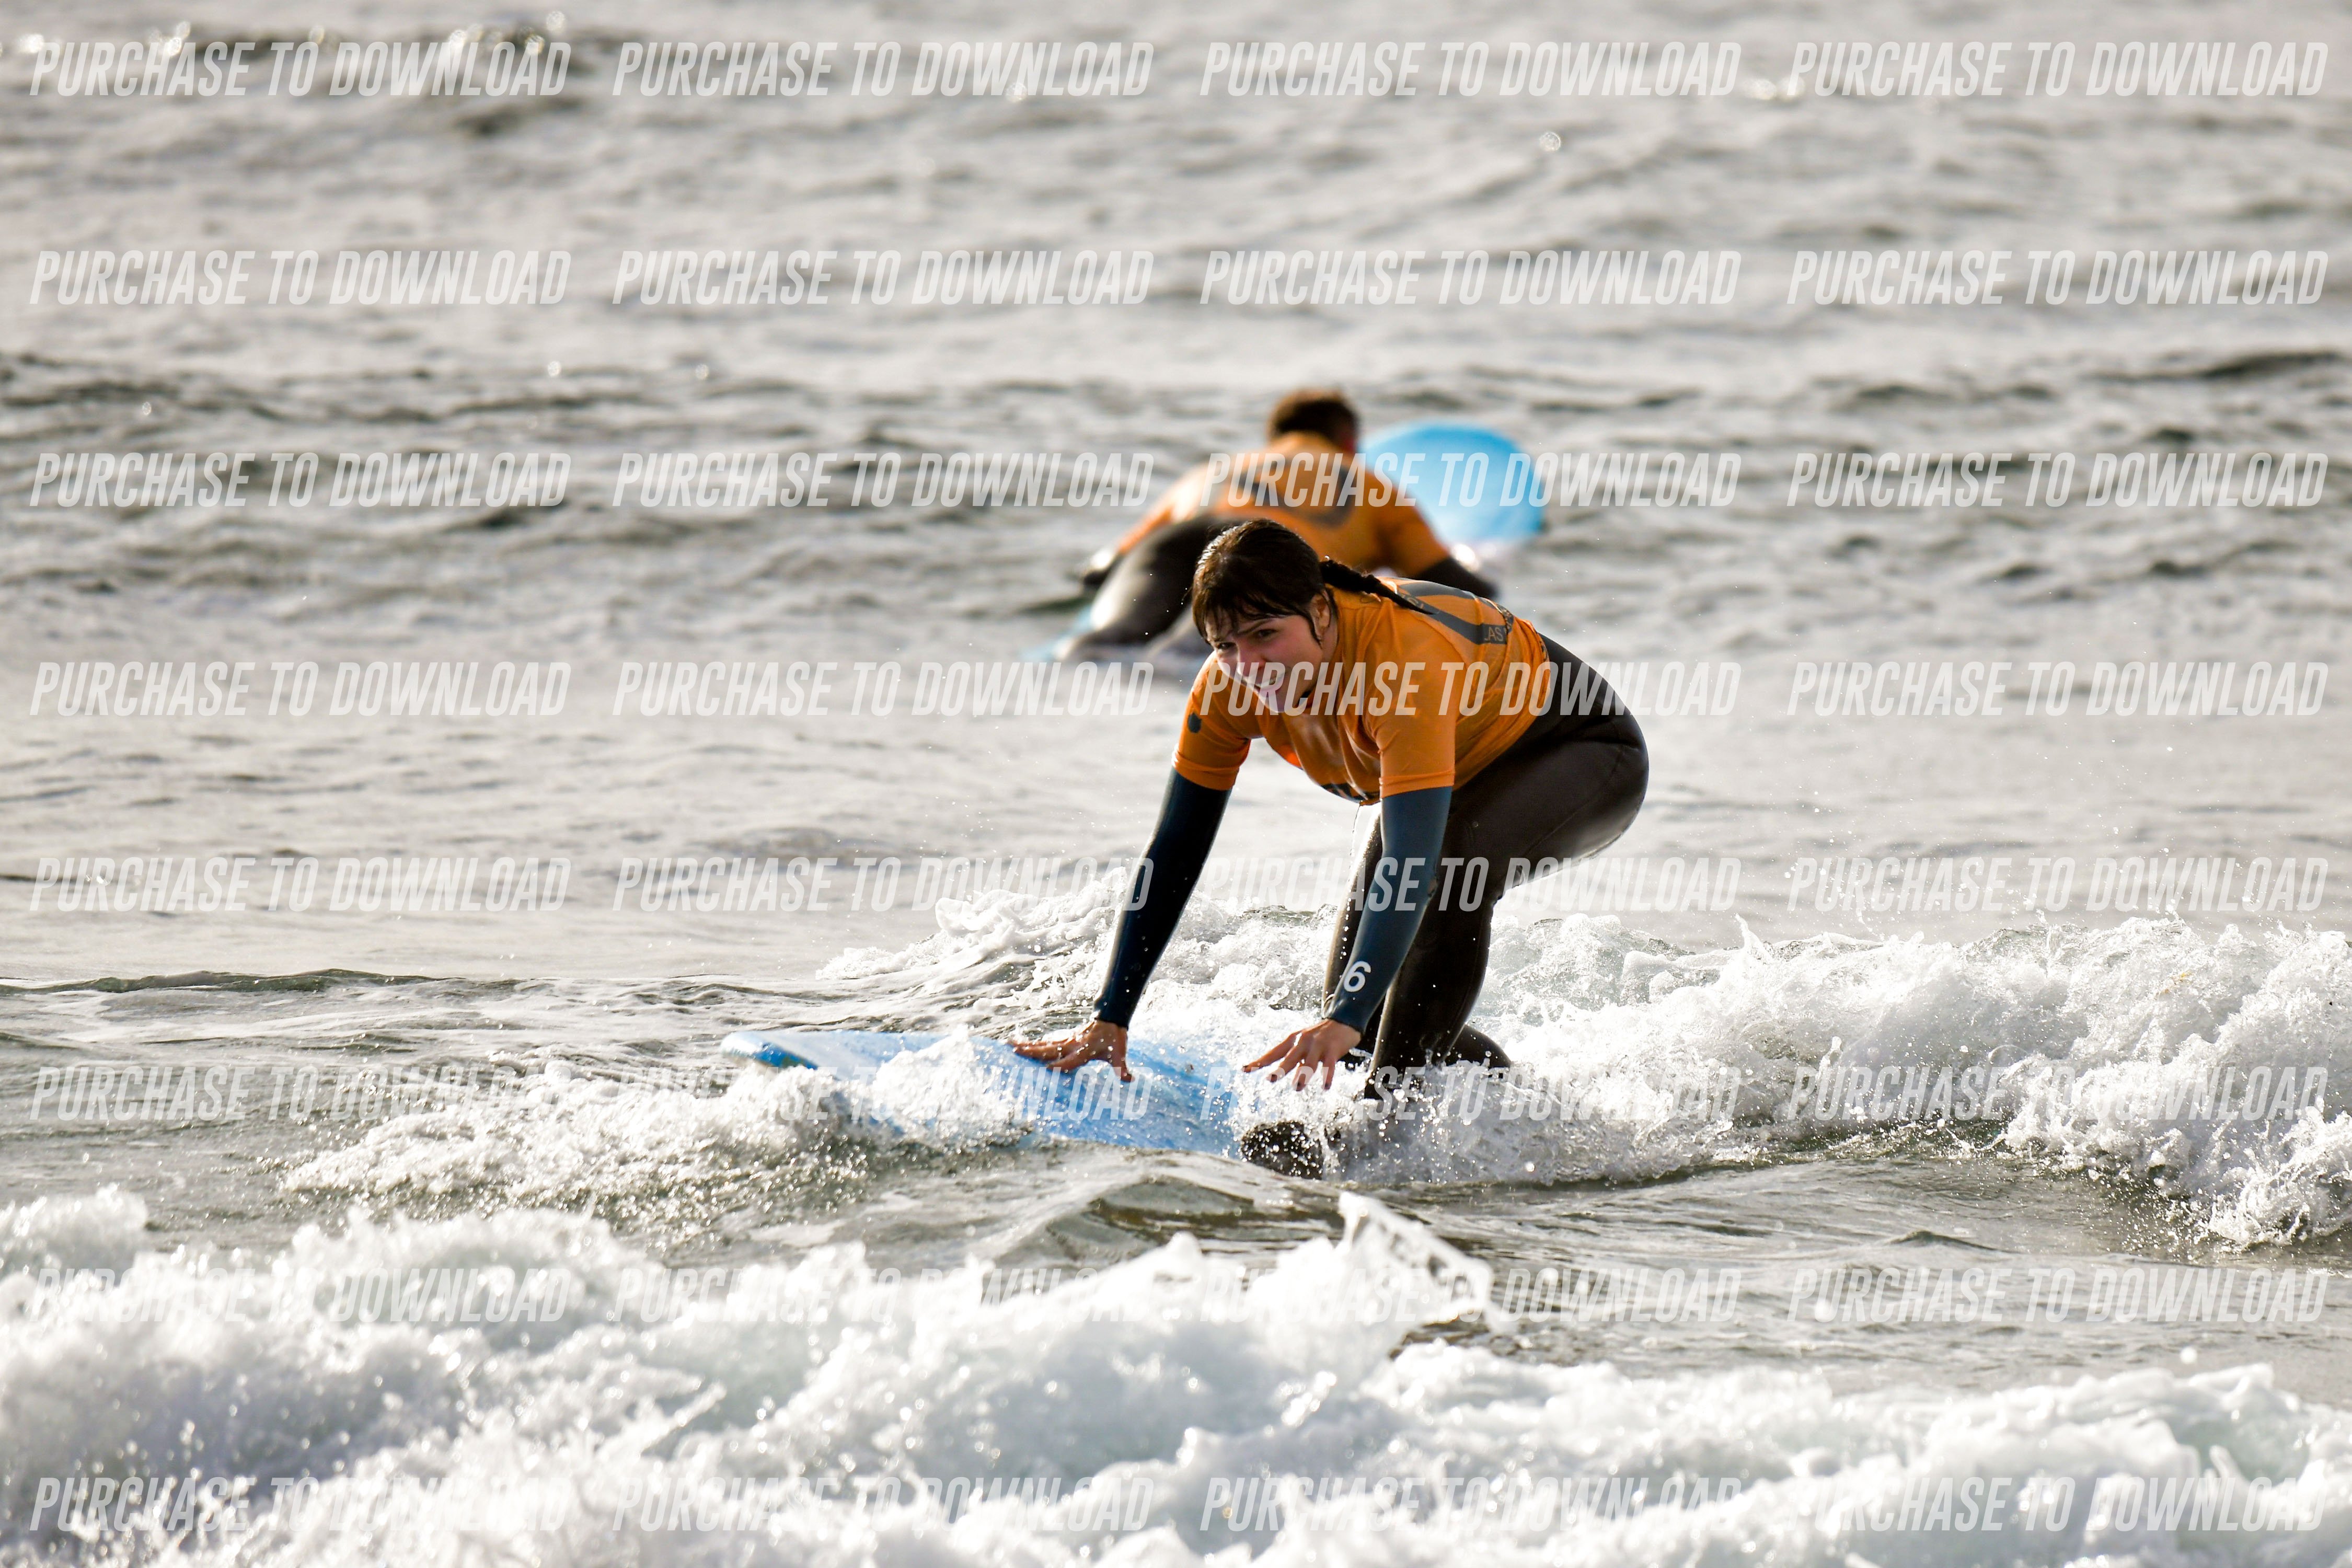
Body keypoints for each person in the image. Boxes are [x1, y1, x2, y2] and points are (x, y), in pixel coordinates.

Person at [1015, 519, 1646, 1173]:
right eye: (1226, 645)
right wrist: (1110, 1016)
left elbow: (1411, 865)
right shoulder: (1228, 686)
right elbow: (1175, 850)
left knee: (1447, 881)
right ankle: (1514, 1107)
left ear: (1321, 611)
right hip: (1459, 768)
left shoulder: (1402, 662)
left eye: (1266, 634)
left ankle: (1383, 1130)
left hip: (1583, 750)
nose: (1250, 667)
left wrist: (1345, 1015)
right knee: (1360, 1029)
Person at [1060, 390, 1498, 658]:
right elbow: (1448, 583)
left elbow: (1100, 571)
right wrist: (1489, 564)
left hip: (1175, 542)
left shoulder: (1211, 471)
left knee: (1112, 640)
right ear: (1349, 442)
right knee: (1190, 652)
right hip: (1266, 549)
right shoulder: (1370, 482)